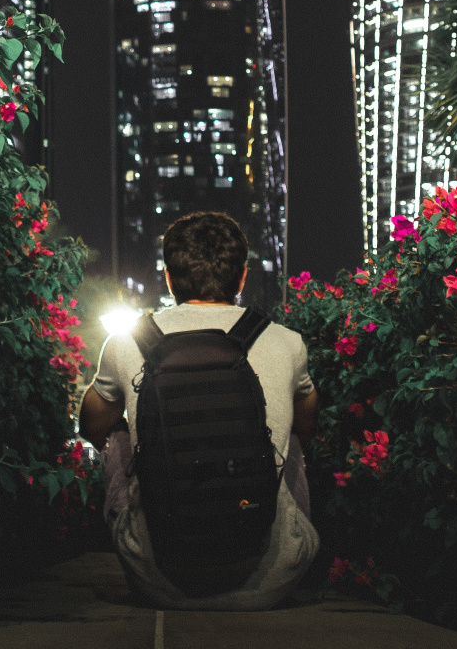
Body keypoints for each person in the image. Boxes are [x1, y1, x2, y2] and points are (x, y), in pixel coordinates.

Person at [78, 211, 320, 610]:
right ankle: (276, 543)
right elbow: (307, 428)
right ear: (242, 277)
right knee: (288, 433)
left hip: (157, 579)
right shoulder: (288, 342)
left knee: (118, 433)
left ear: (169, 277)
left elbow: (92, 427)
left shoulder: (127, 342)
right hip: (275, 581)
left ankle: (146, 542)